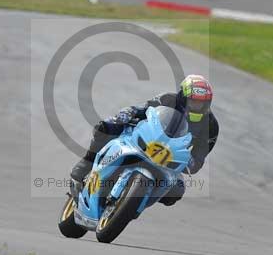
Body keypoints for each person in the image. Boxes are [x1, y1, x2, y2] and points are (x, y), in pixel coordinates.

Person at [69, 74, 219, 206]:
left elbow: (199, 157)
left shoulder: (211, 125)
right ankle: (85, 166)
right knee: (106, 127)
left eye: (201, 103)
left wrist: (190, 162)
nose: (197, 107)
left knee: (176, 192)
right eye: (193, 102)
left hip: (170, 159)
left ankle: (137, 200)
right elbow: (143, 109)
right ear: (183, 97)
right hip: (145, 139)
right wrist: (127, 114)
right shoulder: (167, 99)